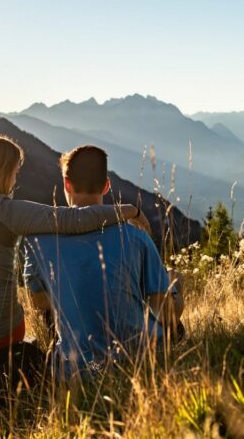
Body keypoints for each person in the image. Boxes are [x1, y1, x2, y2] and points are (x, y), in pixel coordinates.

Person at [0, 135, 150, 423]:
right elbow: (72, 220)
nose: (14, 182)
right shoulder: (6, 211)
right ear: (3, 174)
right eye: (14, 173)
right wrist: (130, 210)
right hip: (2, 336)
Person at [22, 145, 184, 383]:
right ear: (107, 185)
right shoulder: (136, 236)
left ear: (67, 184)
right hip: (139, 363)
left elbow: (38, 302)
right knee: (176, 320)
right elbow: (167, 313)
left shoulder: (38, 241)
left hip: (73, 373)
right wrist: (177, 289)